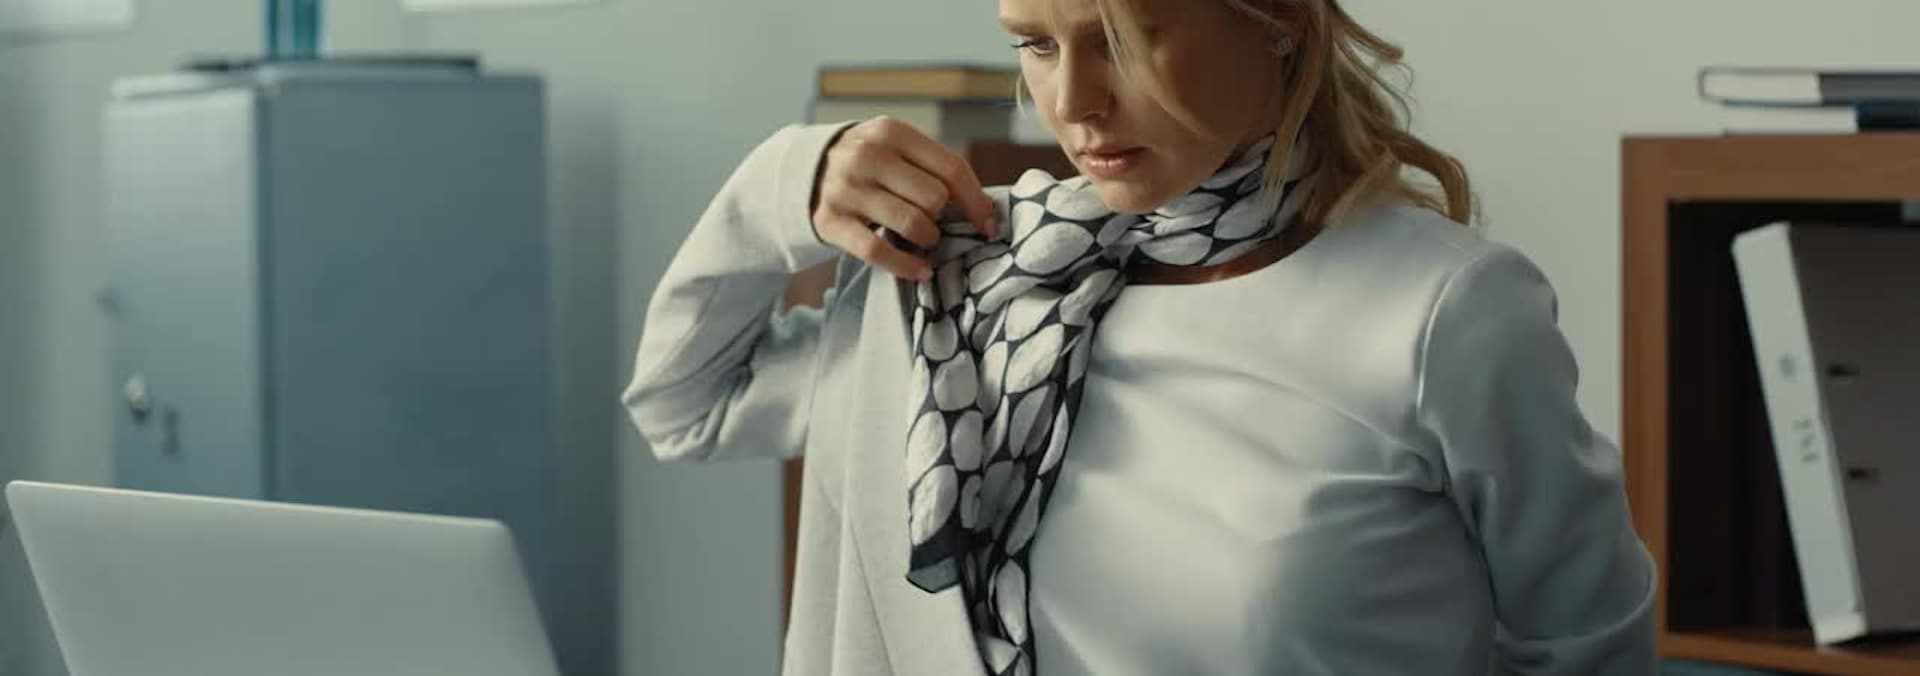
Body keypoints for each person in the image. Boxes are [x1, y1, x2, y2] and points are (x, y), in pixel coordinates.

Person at [622, 0, 1658, 673]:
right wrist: (785, 182)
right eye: (1035, 44)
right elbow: (687, 404)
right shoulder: (970, 273)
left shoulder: (1446, 310)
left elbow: (1589, 647)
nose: (1073, 102)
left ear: (1277, 23)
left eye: (1124, 35)